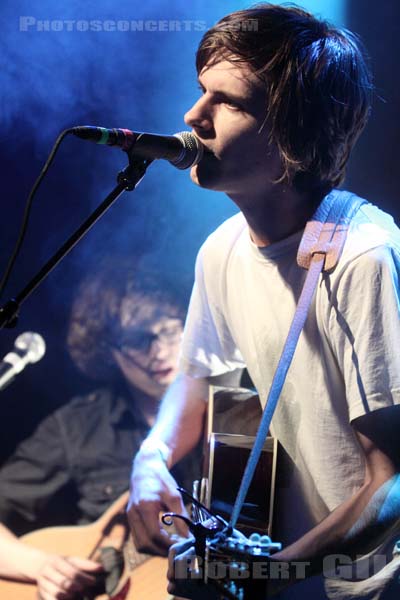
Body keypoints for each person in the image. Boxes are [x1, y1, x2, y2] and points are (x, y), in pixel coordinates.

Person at [127, 4, 400, 599]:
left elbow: (393, 486)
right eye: (202, 91)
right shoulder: (220, 249)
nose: (193, 115)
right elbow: (195, 377)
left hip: (368, 586)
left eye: (229, 102)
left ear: (294, 133)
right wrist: (150, 459)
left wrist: (265, 579)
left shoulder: (362, 257)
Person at [0, 258, 198, 600]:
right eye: (138, 340)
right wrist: (43, 567)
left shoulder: (234, 416)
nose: (158, 351)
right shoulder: (78, 426)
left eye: (169, 329)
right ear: (109, 349)